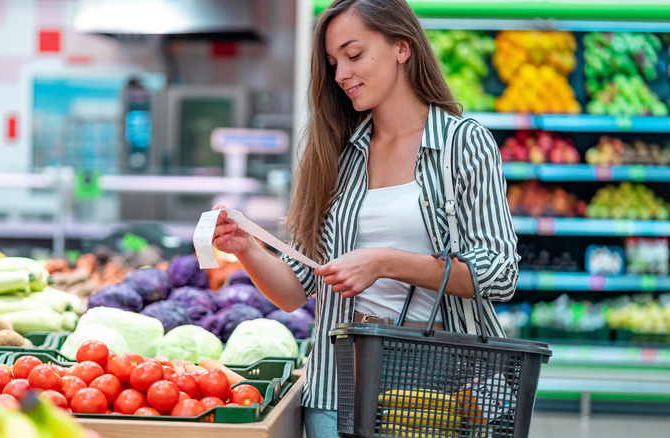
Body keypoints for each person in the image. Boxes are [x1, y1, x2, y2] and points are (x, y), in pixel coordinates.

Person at [210, 0, 519, 436]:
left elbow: (500, 273)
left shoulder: (463, 144)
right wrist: (246, 248)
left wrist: (383, 262)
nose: (340, 75)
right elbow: (296, 290)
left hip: (445, 393)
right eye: (334, 62)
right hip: (338, 392)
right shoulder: (334, 153)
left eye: (354, 56)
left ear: (402, 48)